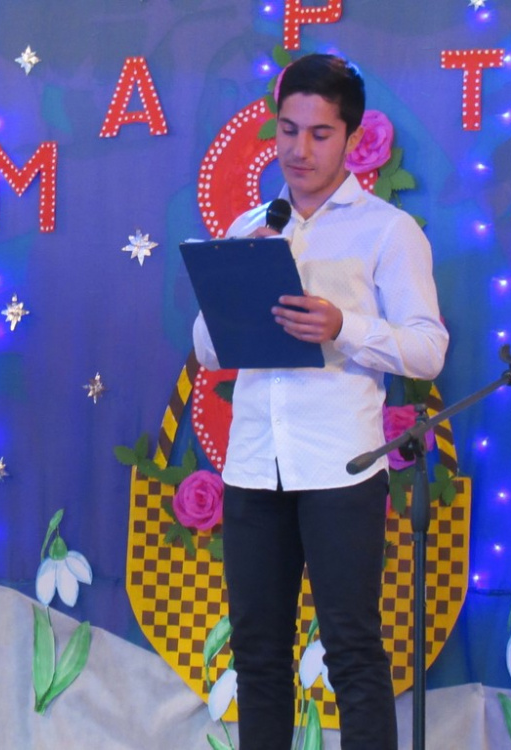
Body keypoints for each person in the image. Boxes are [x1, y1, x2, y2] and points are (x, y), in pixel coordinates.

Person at [192, 54, 448, 749]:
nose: (299, 149)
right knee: (258, 656)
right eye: (287, 130)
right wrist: (241, 275)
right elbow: (208, 350)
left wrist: (344, 327)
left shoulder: (387, 229)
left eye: (320, 133)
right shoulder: (252, 223)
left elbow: (429, 350)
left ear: (353, 138)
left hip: (340, 468)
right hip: (254, 466)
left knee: (352, 651)